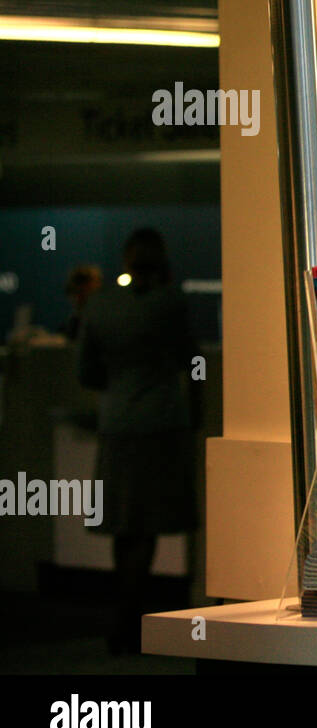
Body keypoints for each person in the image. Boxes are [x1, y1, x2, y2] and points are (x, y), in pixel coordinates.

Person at [77, 228, 200, 655]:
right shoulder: (172, 304)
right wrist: (195, 411)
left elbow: (86, 372)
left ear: (126, 258)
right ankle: (135, 618)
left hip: (117, 424)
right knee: (147, 525)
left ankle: (124, 618)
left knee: (123, 527)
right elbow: (193, 360)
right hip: (161, 425)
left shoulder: (100, 304)